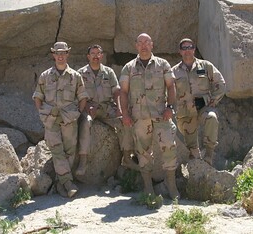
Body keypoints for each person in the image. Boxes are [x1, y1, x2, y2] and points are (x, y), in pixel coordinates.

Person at [119, 33, 179, 199]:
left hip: (162, 115)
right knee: (143, 153)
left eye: (147, 42)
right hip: (140, 117)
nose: (144, 45)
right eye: (140, 42)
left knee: (169, 148)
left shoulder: (163, 64)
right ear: (136, 46)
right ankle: (148, 189)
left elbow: (171, 86)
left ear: (152, 45)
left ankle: (172, 188)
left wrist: (170, 107)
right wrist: (125, 114)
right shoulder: (129, 68)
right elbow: (123, 92)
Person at [32, 42, 89, 198]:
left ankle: (60, 183)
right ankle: (68, 183)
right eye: (58, 53)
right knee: (57, 150)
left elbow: (82, 97)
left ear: (67, 54)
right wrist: (42, 114)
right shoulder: (45, 75)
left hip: (69, 118)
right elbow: (38, 96)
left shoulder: (75, 76)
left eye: (63, 53)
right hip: (50, 119)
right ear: (53, 55)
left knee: (70, 151)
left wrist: (77, 113)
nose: (60, 56)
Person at [75, 44, 139, 175]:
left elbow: (116, 91)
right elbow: (78, 94)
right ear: (88, 56)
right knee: (85, 123)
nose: (96, 56)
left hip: (106, 107)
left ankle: (127, 156)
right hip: (89, 107)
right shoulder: (81, 73)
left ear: (102, 56)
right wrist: (86, 106)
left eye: (98, 53)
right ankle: (83, 160)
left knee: (124, 122)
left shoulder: (108, 72)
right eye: (93, 54)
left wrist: (120, 109)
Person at [172, 38, 226, 165]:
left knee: (212, 118)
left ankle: (209, 155)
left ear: (194, 49)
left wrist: (214, 99)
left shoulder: (205, 66)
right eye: (184, 48)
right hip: (185, 113)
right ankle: (196, 168)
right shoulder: (174, 71)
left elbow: (220, 83)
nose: (187, 51)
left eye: (190, 47)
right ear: (180, 51)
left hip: (204, 107)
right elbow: (168, 92)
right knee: (193, 151)